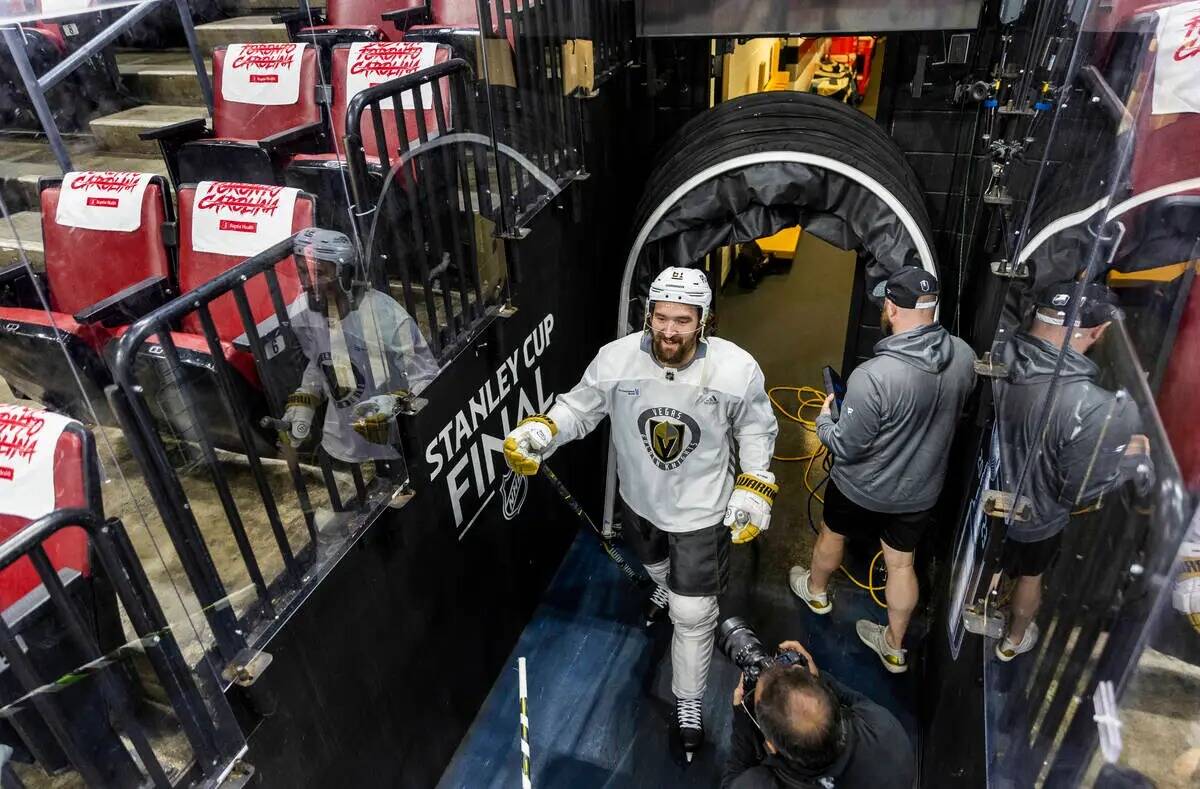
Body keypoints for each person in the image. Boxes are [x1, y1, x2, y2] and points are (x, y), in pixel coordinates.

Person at [501, 266, 779, 759]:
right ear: (648, 313)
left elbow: (757, 429)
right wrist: (542, 431)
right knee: (658, 574)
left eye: (683, 320)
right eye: (661, 317)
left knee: (692, 615)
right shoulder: (617, 359)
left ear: (705, 321)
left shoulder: (737, 371)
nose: (669, 331)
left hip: (701, 513)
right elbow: (579, 409)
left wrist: (755, 485)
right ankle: (663, 587)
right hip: (640, 503)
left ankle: (688, 701)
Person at [789, 267, 975, 674]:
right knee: (902, 565)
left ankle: (816, 592)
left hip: (859, 488)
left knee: (831, 533)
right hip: (920, 491)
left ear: (891, 307)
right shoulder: (964, 356)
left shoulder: (873, 376)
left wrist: (824, 420)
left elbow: (844, 445)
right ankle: (893, 646)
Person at [992, 281, 1152, 661]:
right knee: (1031, 577)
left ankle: (983, 606)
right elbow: (1078, 493)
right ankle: (1012, 642)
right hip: (1036, 520)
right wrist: (1124, 459)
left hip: (984, 501)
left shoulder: (997, 349)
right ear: (1099, 331)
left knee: (989, 566)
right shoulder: (1098, 407)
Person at [280, 228, 439, 466]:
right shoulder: (301, 312)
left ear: (344, 274)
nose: (307, 283)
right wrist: (306, 399)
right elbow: (320, 363)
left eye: (319, 273)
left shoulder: (386, 318)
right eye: (302, 271)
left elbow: (428, 378)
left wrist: (396, 408)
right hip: (340, 443)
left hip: (394, 446)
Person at [724, 639, 915, 788]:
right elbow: (852, 698)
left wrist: (743, 722)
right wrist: (817, 677)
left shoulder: (757, 784)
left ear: (772, 747)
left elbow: (732, 781)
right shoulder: (885, 730)